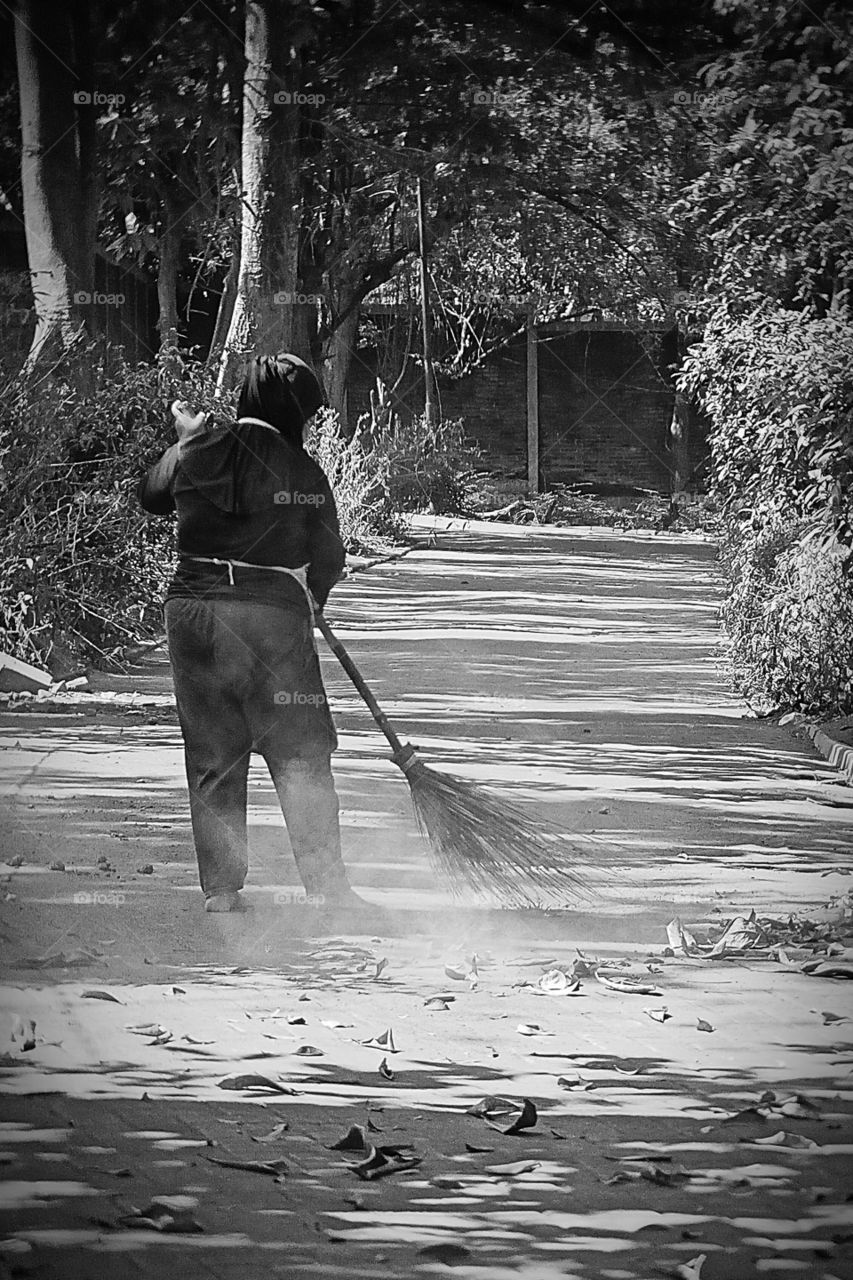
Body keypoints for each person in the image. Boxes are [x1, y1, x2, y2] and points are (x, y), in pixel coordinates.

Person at [138, 353, 357, 913]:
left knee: (214, 750)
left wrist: (185, 443)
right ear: (292, 412)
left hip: (193, 615)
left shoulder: (198, 449)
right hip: (270, 619)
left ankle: (222, 889)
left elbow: (151, 497)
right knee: (300, 749)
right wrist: (312, 597)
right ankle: (326, 888)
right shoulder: (303, 472)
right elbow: (329, 557)